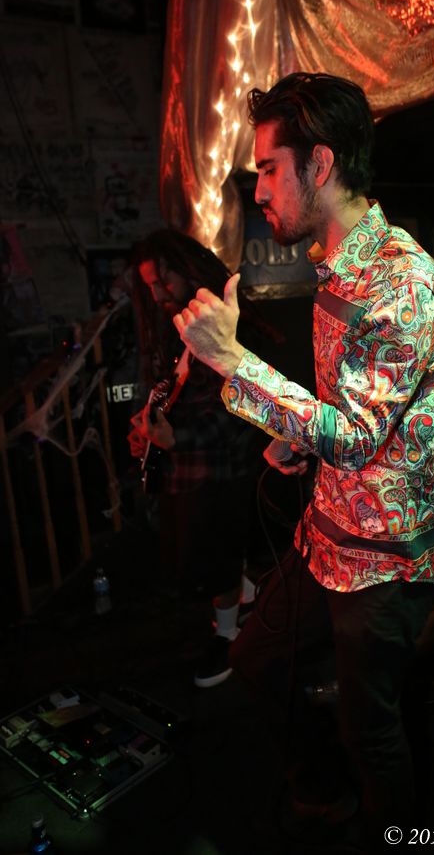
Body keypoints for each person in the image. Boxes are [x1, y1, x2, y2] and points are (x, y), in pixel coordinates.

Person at [173, 73, 434, 846]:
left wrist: (232, 361)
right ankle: (325, 798)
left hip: (385, 563)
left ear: (321, 164)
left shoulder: (404, 284)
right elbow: (344, 411)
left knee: (373, 732)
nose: (260, 189)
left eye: (270, 168)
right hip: (328, 532)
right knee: (256, 659)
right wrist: (298, 435)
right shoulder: (336, 264)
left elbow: (359, 435)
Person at [127, 228, 271, 688]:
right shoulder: (178, 332)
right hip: (189, 471)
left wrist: (177, 437)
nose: (157, 295)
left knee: (216, 562)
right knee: (210, 559)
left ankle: (228, 639)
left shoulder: (231, 326)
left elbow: (237, 412)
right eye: (149, 286)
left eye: (162, 281)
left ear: (188, 271)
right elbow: (174, 391)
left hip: (221, 472)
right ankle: (246, 599)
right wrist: (148, 427)